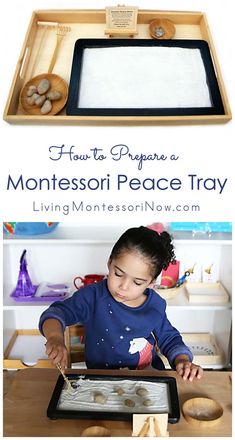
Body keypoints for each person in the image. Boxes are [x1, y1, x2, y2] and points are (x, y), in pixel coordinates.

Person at [39, 226, 203, 382]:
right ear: (110, 263)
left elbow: (169, 338)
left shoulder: (155, 305)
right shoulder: (93, 296)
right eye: (118, 274)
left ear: (151, 282)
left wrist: (182, 361)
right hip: (102, 381)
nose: (124, 286)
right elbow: (56, 313)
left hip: (147, 379)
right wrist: (55, 338)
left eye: (137, 282)